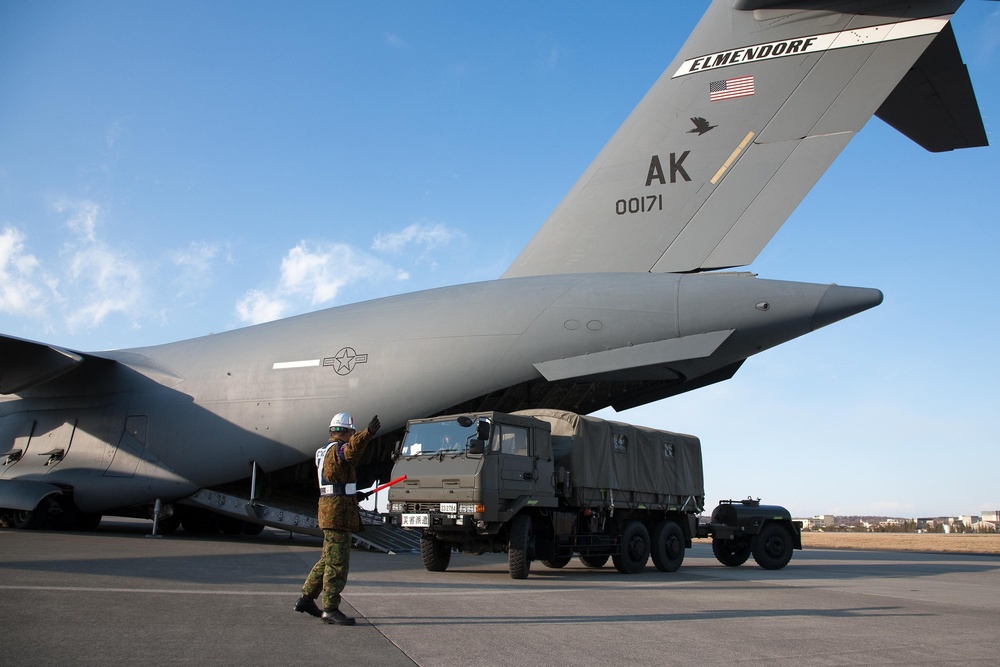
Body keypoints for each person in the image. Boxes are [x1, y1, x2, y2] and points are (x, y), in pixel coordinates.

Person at [294, 411, 380, 625]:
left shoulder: (323, 451)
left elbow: (334, 479)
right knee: (337, 563)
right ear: (346, 432)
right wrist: (367, 433)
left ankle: (306, 598)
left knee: (328, 558)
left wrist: (353, 494)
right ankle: (330, 609)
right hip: (338, 513)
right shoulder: (339, 449)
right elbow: (350, 453)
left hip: (332, 507)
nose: (353, 436)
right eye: (352, 432)